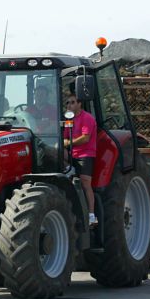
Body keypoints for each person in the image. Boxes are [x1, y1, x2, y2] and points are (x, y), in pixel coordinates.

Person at [63, 94, 98, 225]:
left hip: (85, 154)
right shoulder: (68, 120)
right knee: (54, 151)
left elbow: (85, 138)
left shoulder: (87, 118)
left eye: (72, 102)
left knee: (85, 183)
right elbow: (64, 138)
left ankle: (91, 214)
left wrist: (68, 143)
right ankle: (69, 168)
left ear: (79, 104)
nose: (69, 105)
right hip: (72, 153)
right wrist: (66, 143)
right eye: (67, 103)